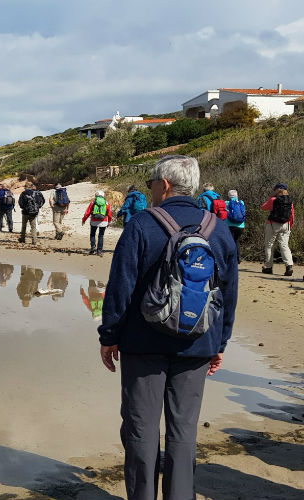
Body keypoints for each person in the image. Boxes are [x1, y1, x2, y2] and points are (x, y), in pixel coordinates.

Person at [98, 155, 238, 500]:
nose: (151, 191)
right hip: (198, 344)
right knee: (183, 432)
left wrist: (109, 335)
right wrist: (220, 343)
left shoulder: (142, 224)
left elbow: (120, 286)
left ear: (163, 185)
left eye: (151, 185)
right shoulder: (218, 229)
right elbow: (228, 293)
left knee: (141, 430)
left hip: (143, 344)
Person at [261, 182, 295, 276]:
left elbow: (263, 207)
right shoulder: (289, 201)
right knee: (284, 245)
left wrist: (271, 197)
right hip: (286, 225)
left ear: (276, 190)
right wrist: (289, 226)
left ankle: (269, 267)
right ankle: (289, 266)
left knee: (269, 245)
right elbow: (291, 215)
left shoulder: (273, 199)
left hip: (272, 224)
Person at [82, 190, 113, 256]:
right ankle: (99, 251)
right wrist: (109, 222)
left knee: (92, 234)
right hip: (103, 221)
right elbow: (109, 214)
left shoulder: (93, 202)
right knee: (101, 235)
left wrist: (84, 220)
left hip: (94, 221)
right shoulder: (106, 203)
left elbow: (87, 212)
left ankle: (93, 247)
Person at [224, 189, 246, 263]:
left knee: (230, 241)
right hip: (240, 226)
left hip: (229, 225)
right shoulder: (241, 202)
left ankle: (230, 258)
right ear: (237, 195)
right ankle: (238, 257)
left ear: (228, 196)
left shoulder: (226, 203)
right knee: (236, 240)